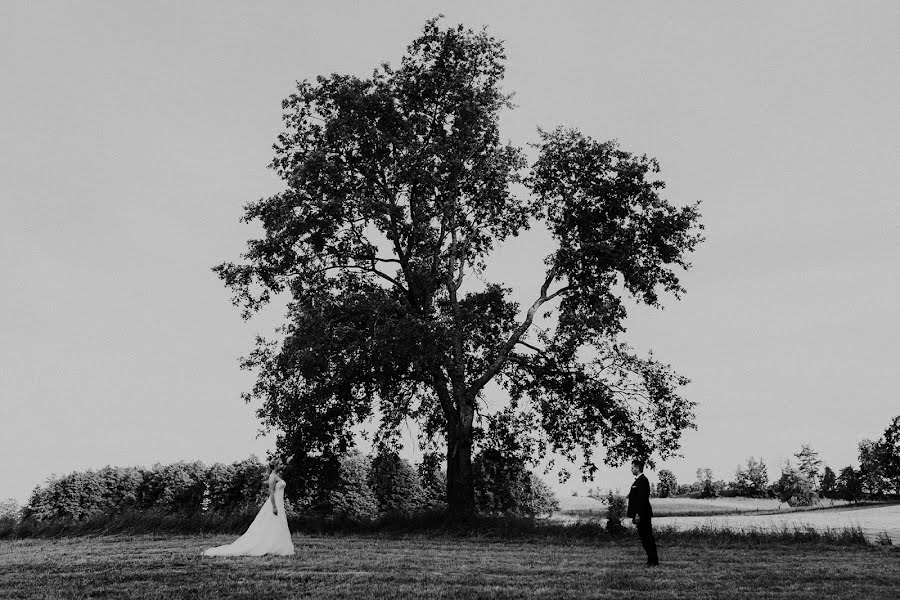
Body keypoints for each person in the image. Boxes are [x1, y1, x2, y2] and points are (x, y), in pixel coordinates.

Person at [202, 456, 295, 557]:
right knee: (271, 524)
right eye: (280, 464)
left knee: (278, 524)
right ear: (276, 465)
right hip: (274, 503)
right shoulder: (272, 477)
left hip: (280, 503)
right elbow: (271, 493)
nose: (282, 465)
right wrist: (274, 507)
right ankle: (270, 546)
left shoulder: (277, 476)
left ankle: (278, 546)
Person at [627, 459, 658, 566]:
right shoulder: (638, 481)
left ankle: (653, 560)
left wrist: (637, 514)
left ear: (637, 468)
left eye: (632, 468)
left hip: (642, 514)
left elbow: (642, 500)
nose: (631, 470)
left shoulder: (643, 481)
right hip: (640, 514)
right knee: (644, 537)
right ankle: (651, 560)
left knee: (647, 537)